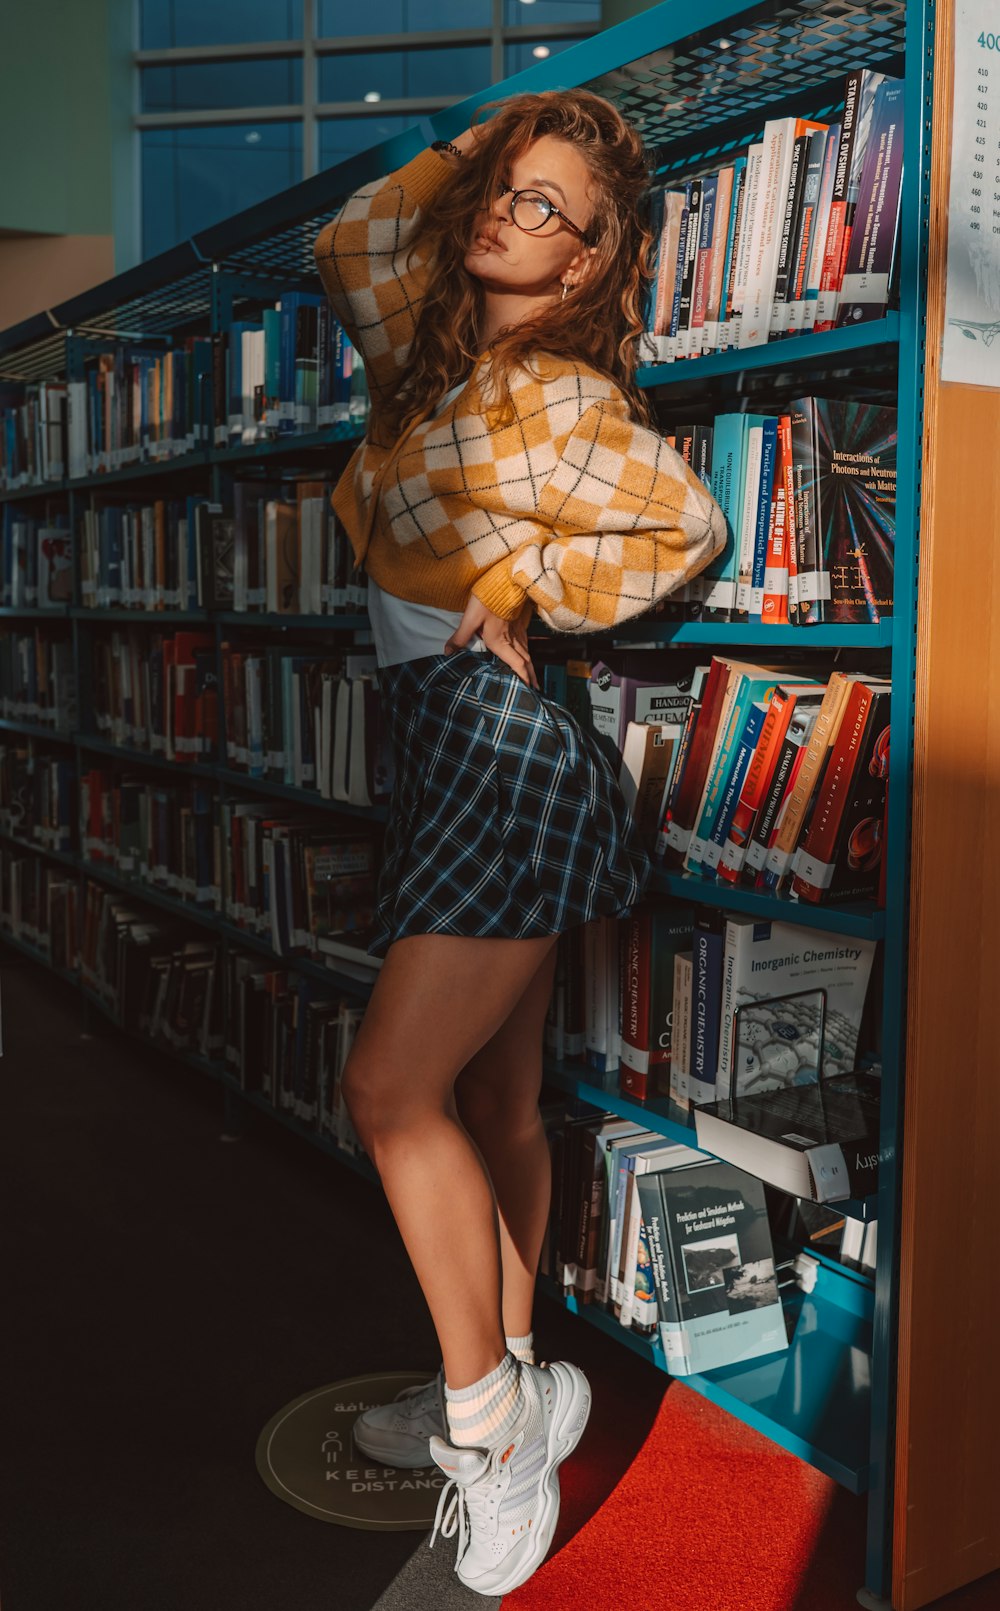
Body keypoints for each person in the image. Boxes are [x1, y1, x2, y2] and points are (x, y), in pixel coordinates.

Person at [313, 88, 726, 1597]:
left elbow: (683, 528)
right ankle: (515, 1371)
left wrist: (533, 581)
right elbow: (353, 238)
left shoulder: (557, 397)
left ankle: (492, 1435)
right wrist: (505, 131)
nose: (508, 213)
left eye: (552, 209)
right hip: (440, 750)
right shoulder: (426, 362)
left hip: (500, 755)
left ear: (595, 265)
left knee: (388, 1086)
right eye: (508, 190)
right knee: (491, 1095)